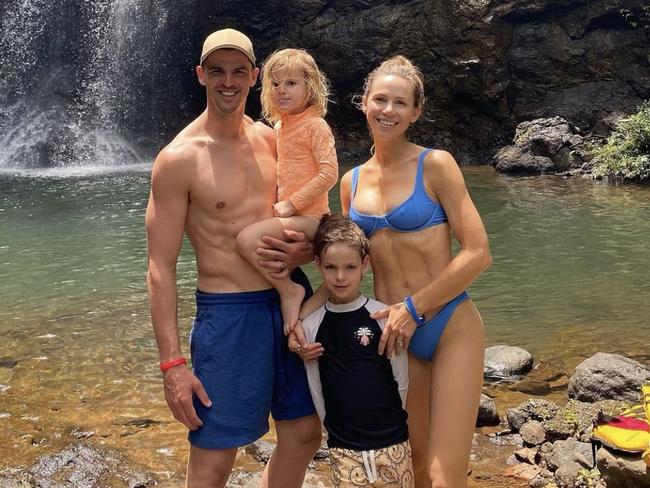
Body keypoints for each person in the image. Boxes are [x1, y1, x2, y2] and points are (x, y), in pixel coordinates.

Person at [294, 55, 491, 487]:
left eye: (400, 103)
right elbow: (345, 268)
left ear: (416, 112)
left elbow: (478, 253)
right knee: (414, 459)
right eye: (380, 99)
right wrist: (299, 319)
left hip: (446, 321)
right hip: (392, 334)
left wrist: (415, 309)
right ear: (363, 103)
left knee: (444, 474)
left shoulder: (436, 165)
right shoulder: (351, 182)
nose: (388, 110)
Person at [145, 28, 321, 488]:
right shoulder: (178, 158)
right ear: (201, 75)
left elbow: (305, 212)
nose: (228, 82)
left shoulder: (272, 139)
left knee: (304, 434)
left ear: (254, 76)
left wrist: (309, 247)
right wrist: (172, 365)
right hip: (229, 314)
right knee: (214, 454)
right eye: (217, 71)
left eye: (238, 71)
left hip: (291, 302)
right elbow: (159, 267)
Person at [299, 214, 413, 488]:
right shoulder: (313, 324)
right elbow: (316, 384)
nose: (340, 276)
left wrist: (393, 424)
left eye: (350, 267)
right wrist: (331, 429)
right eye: (331, 267)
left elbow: (400, 378)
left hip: (393, 441)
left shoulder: (381, 316)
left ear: (365, 265)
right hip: (343, 447)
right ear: (318, 265)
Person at [236, 48, 338, 334]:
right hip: (295, 216)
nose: (282, 91)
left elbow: (329, 173)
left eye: (291, 83)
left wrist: (292, 204)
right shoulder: (280, 126)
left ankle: (288, 290)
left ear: (310, 86)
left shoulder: (316, 125)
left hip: (312, 217)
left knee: (245, 240)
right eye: (275, 84)